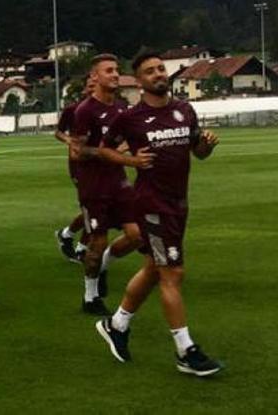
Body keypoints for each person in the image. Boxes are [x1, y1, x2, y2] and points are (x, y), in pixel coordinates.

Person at [95, 52, 222, 376]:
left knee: (154, 267)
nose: (158, 74)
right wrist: (131, 162)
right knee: (172, 273)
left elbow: (198, 152)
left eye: (160, 69)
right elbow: (103, 150)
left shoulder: (184, 110)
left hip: (179, 203)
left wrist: (206, 145)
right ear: (139, 81)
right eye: (149, 71)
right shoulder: (131, 117)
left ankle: (117, 324)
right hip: (152, 204)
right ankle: (185, 350)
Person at [70, 54, 142, 315]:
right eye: (109, 70)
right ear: (96, 77)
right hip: (94, 186)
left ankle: (103, 266)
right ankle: (90, 298)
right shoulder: (85, 111)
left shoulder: (121, 109)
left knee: (137, 235)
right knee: (97, 241)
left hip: (119, 182)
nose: (114, 74)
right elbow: (77, 152)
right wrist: (104, 152)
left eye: (116, 70)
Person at [54, 77, 96, 263]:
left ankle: (68, 235)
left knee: (98, 209)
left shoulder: (111, 109)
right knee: (90, 208)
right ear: (84, 89)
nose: (93, 89)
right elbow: (58, 132)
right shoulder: (73, 110)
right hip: (79, 165)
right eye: (90, 86)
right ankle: (80, 246)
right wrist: (69, 140)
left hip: (102, 164)